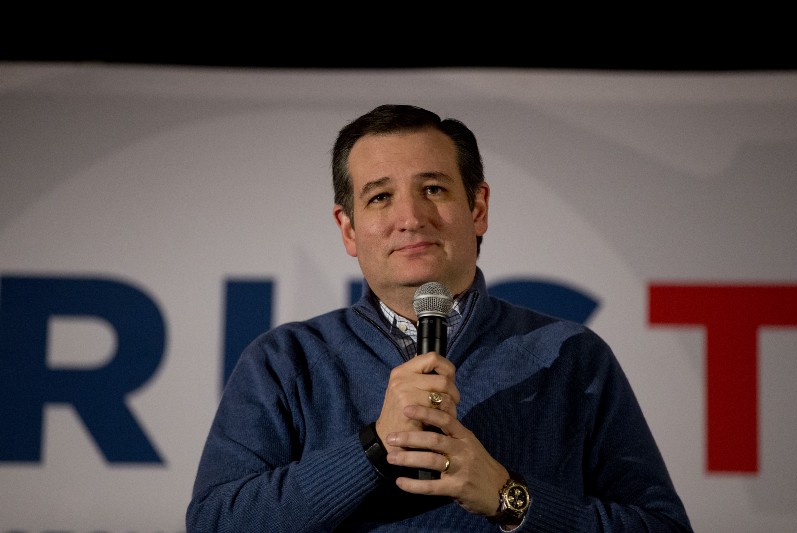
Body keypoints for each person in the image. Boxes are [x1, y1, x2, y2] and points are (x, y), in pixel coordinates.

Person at [186, 104, 693, 532]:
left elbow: (663, 528)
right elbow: (213, 522)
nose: (410, 217)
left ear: (478, 208)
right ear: (348, 228)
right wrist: (374, 448)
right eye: (380, 197)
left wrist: (509, 496)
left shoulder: (570, 355)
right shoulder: (284, 360)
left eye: (433, 188)